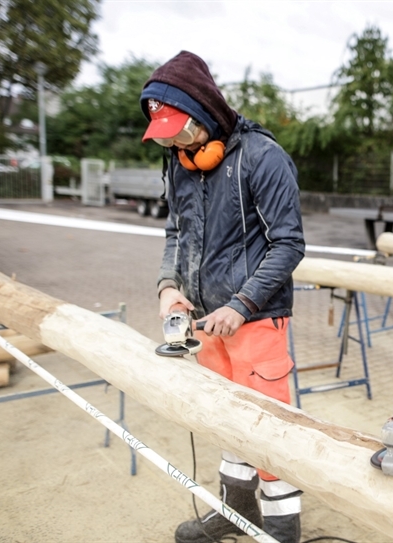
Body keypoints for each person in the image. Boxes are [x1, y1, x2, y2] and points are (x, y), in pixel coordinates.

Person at [139, 51, 305, 543]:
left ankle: (281, 527)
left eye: (178, 132)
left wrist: (242, 304)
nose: (172, 143)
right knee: (224, 419)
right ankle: (237, 512)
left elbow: (289, 244)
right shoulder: (180, 163)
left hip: (255, 319)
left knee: (267, 423)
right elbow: (174, 231)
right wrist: (169, 286)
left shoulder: (263, 157)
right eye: (163, 135)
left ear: (205, 112)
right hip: (204, 321)